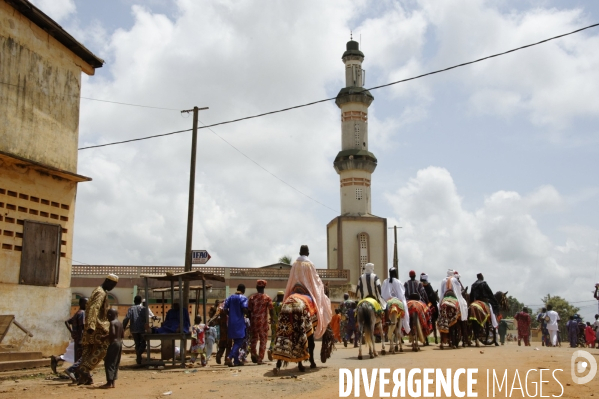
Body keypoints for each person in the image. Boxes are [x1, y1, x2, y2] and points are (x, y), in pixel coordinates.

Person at [273, 245, 332, 364]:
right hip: (306, 293)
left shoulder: (294, 264)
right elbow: (315, 281)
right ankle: (311, 361)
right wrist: (320, 289)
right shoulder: (310, 264)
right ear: (308, 253)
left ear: (299, 252)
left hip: (294, 291)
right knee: (321, 305)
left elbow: (291, 279)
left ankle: (279, 359)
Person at [74, 274, 119, 385]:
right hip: (98, 327)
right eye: (112, 284)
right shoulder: (101, 292)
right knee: (103, 349)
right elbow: (94, 308)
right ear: (107, 281)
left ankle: (84, 378)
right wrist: (91, 325)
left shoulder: (97, 290)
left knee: (88, 352)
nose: (113, 287)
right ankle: (84, 370)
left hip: (91, 327)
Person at [51, 297, 88, 378]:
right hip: (80, 339)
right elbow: (82, 327)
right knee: (81, 357)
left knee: (76, 356)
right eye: (86, 303)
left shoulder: (77, 313)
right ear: (81, 304)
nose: (87, 305)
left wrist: (72, 332)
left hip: (77, 338)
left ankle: (76, 373)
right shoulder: (82, 313)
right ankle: (76, 373)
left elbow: (67, 321)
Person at [247, 280, 273, 364]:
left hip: (254, 321)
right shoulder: (267, 298)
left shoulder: (252, 297)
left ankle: (253, 354)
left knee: (253, 339)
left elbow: (249, 310)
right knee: (263, 340)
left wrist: (249, 321)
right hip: (263, 322)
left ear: (256, 287)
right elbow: (271, 309)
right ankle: (260, 358)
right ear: (264, 287)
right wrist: (272, 319)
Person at [224, 284, 248, 367]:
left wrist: (230, 315)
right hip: (239, 322)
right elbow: (244, 308)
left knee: (235, 341)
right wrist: (248, 314)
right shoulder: (243, 298)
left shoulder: (230, 298)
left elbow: (224, 309)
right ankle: (229, 357)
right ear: (243, 290)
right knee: (239, 341)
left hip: (231, 322)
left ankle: (236, 361)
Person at [381, 267, 410, 334]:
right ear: (395, 273)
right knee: (405, 310)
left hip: (387, 301)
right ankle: (405, 326)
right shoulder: (398, 282)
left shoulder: (385, 281)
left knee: (381, 311)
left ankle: (384, 324)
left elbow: (382, 294)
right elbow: (402, 294)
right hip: (397, 300)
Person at [100, 309, 123, 389]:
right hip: (120, 343)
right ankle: (113, 382)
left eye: (107, 315)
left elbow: (112, 333)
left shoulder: (112, 323)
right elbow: (122, 334)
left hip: (113, 343)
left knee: (108, 362)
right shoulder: (120, 323)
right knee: (115, 362)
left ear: (110, 315)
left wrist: (104, 337)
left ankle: (109, 382)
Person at [123, 295, 148, 365]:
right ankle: (139, 354)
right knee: (143, 343)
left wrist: (123, 327)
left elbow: (126, 318)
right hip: (142, 329)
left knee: (137, 344)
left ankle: (138, 357)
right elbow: (146, 319)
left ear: (134, 301)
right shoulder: (143, 309)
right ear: (140, 301)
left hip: (134, 329)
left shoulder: (131, 309)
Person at [267, 291, 284, 360]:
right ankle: (279, 354)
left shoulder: (273, 304)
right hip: (281, 324)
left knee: (273, 338)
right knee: (281, 338)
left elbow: (270, 312)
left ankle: (271, 349)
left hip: (273, 323)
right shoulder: (282, 304)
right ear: (282, 296)